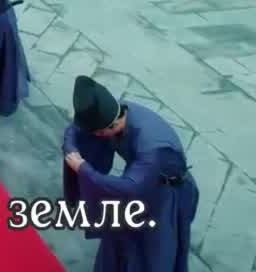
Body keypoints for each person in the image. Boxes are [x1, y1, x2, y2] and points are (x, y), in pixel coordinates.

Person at [63, 76, 199, 272]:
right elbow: (76, 130)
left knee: (153, 252)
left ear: (108, 128)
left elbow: (130, 188)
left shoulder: (153, 148)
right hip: (139, 178)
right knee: (118, 236)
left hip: (163, 194)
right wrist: (71, 146)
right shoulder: (116, 111)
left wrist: (83, 169)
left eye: (97, 134)